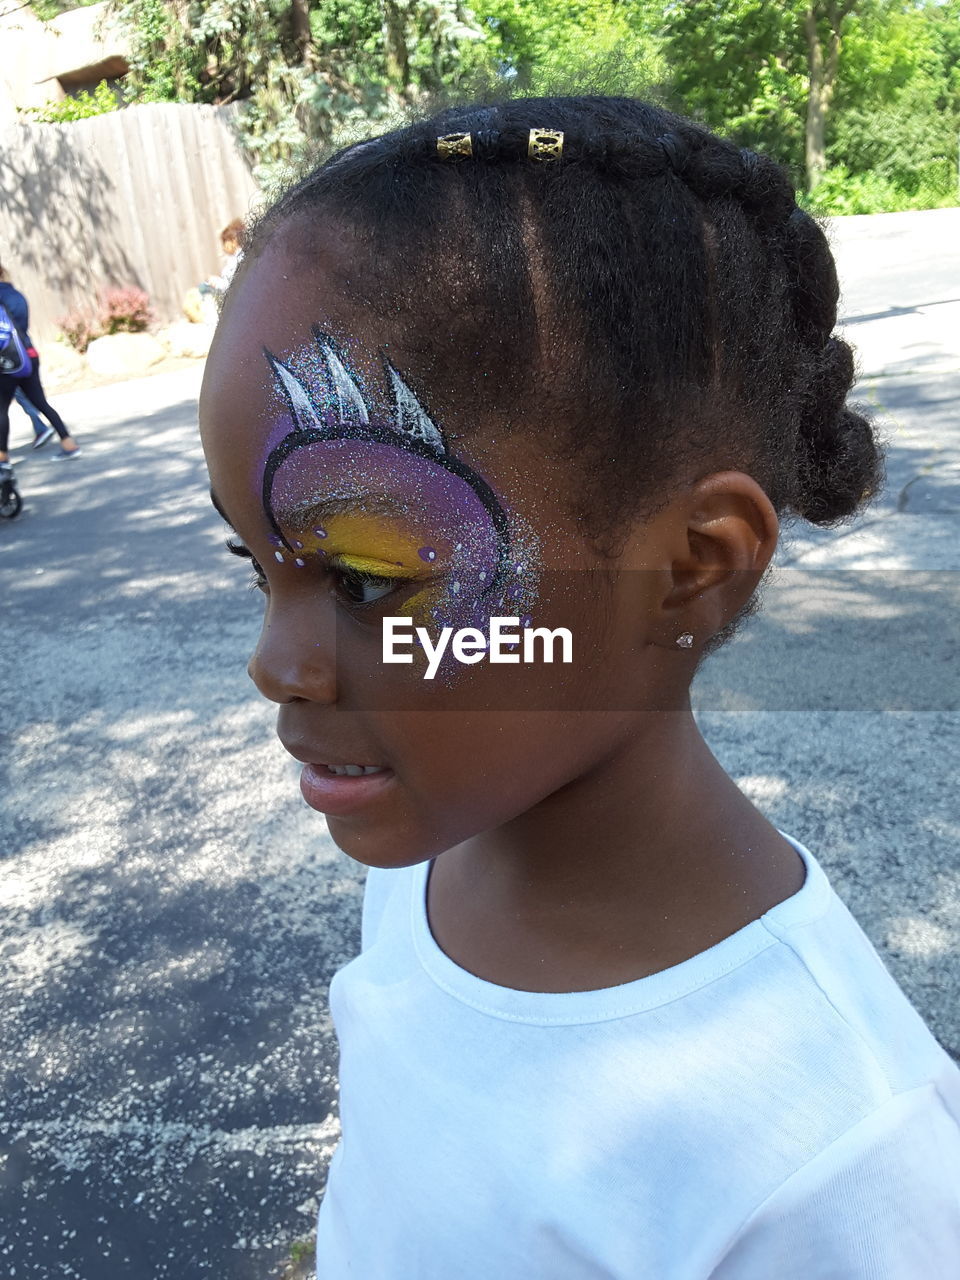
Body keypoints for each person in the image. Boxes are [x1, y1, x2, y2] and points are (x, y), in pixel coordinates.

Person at [198, 96, 960, 1278]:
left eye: (360, 579)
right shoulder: (438, 854)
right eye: (258, 562)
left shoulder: (837, 1158)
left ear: (692, 565)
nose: (274, 664)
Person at [0, 261, 80, 462]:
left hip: (7, 360)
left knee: (1, 410)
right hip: (28, 354)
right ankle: (69, 443)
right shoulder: (16, 295)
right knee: (41, 403)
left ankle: (3, 460)